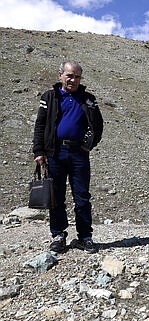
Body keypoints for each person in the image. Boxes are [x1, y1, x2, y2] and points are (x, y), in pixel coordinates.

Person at [32, 60, 104, 254]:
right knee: (56, 197)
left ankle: (85, 237)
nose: (73, 79)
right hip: (54, 153)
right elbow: (40, 125)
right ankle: (58, 235)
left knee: (82, 197)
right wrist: (39, 151)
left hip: (79, 154)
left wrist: (90, 145)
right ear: (61, 75)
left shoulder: (88, 98)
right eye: (69, 75)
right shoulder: (50, 96)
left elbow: (98, 125)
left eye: (77, 76)